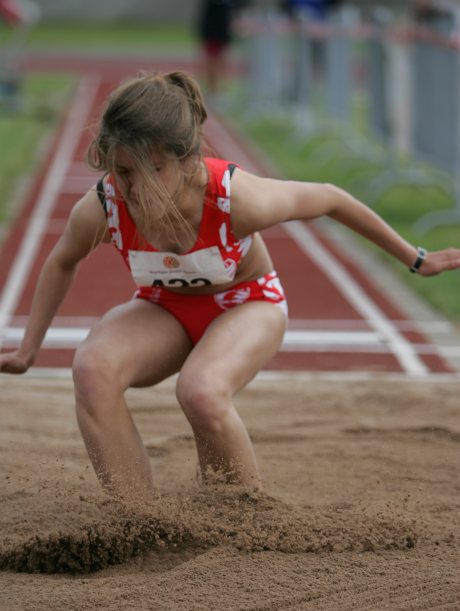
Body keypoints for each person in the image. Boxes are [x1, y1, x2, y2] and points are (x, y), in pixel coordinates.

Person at [1, 71, 459, 504]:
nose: (136, 188)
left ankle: (241, 519)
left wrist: (416, 258)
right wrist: (29, 348)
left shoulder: (235, 199)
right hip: (165, 308)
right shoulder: (104, 206)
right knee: (91, 370)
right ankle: (137, 517)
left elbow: (331, 198)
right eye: (123, 171)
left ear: (187, 160)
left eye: (153, 169)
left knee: (200, 391)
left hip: (248, 304)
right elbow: (62, 261)